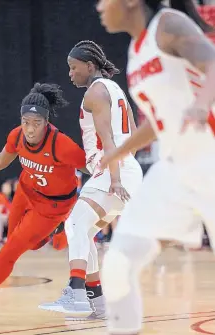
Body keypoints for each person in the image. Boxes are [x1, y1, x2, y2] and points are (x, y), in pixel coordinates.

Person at [96, 0, 215, 334]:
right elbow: (157, 121)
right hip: (176, 169)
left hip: (211, 160)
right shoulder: (137, 52)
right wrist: (118, 152)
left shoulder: (169, 24)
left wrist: (202, 105)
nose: (99, 6)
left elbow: (212, 61)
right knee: (118, 264)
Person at [0, 82, 87, 326]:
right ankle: (54, 233)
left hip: (53, 207)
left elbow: (94, 168)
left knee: (10, 251)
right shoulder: (17, 136)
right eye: (26, 122)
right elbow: (1, 160)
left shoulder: (62, 145)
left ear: (47, 122)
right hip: (26, 191)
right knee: (18, 243)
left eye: (36, 123)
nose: (30, 129)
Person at [38, 40, 143, 319]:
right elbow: (132, 135)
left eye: (74, 68)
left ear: (90, 65)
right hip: (126, 168)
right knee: (83, 230)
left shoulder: (94, 93)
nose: (70, 74)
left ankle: (76, 293)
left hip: (114, 172)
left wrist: (115, 177)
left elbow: (108, 138)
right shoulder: (115, 90)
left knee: (74, 224)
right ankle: (96, 301)